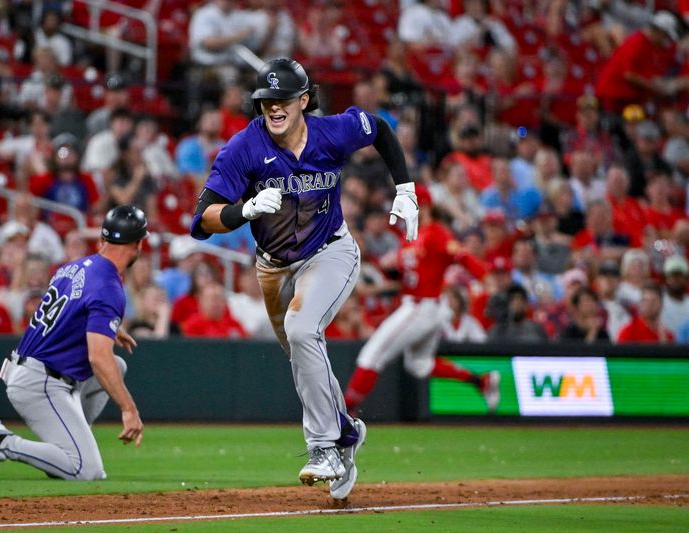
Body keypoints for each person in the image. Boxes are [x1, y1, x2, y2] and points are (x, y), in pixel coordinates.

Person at [190, 58, 419, 501]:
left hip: (330, 251)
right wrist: (245, 211)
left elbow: (381, 129)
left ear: (304, 100)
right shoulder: (243, 148)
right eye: (266, 101)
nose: (275, 108)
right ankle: (346, 435)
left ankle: (324, 448)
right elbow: (201, 221)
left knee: (301, 329)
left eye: (284, 100)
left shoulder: (333, 131)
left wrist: (406, 189)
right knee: (302, 351)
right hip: (273, 269)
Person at [0, 205, 148, 481]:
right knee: (87, 470)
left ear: (102, 240)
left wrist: (105, 328)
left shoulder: (74, 266)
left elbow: (68, 312)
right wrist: (129, 409)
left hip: (31, 368)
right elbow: (97, 358)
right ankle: (1, 442)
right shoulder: (109, 286)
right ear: (138, 244)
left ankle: (71, 448)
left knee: (118, 365)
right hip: (40, 382)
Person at [343, 189, 500, 418]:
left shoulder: (436, 232)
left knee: (372, 354)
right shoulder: (413, 234)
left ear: (423, 206)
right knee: (419, 364)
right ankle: (481, 381)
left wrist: (487, 280)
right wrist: (393, 270)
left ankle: (345, 412)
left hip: (422, 306)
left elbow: (462, 256)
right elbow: (413, 273)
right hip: (422, 305)